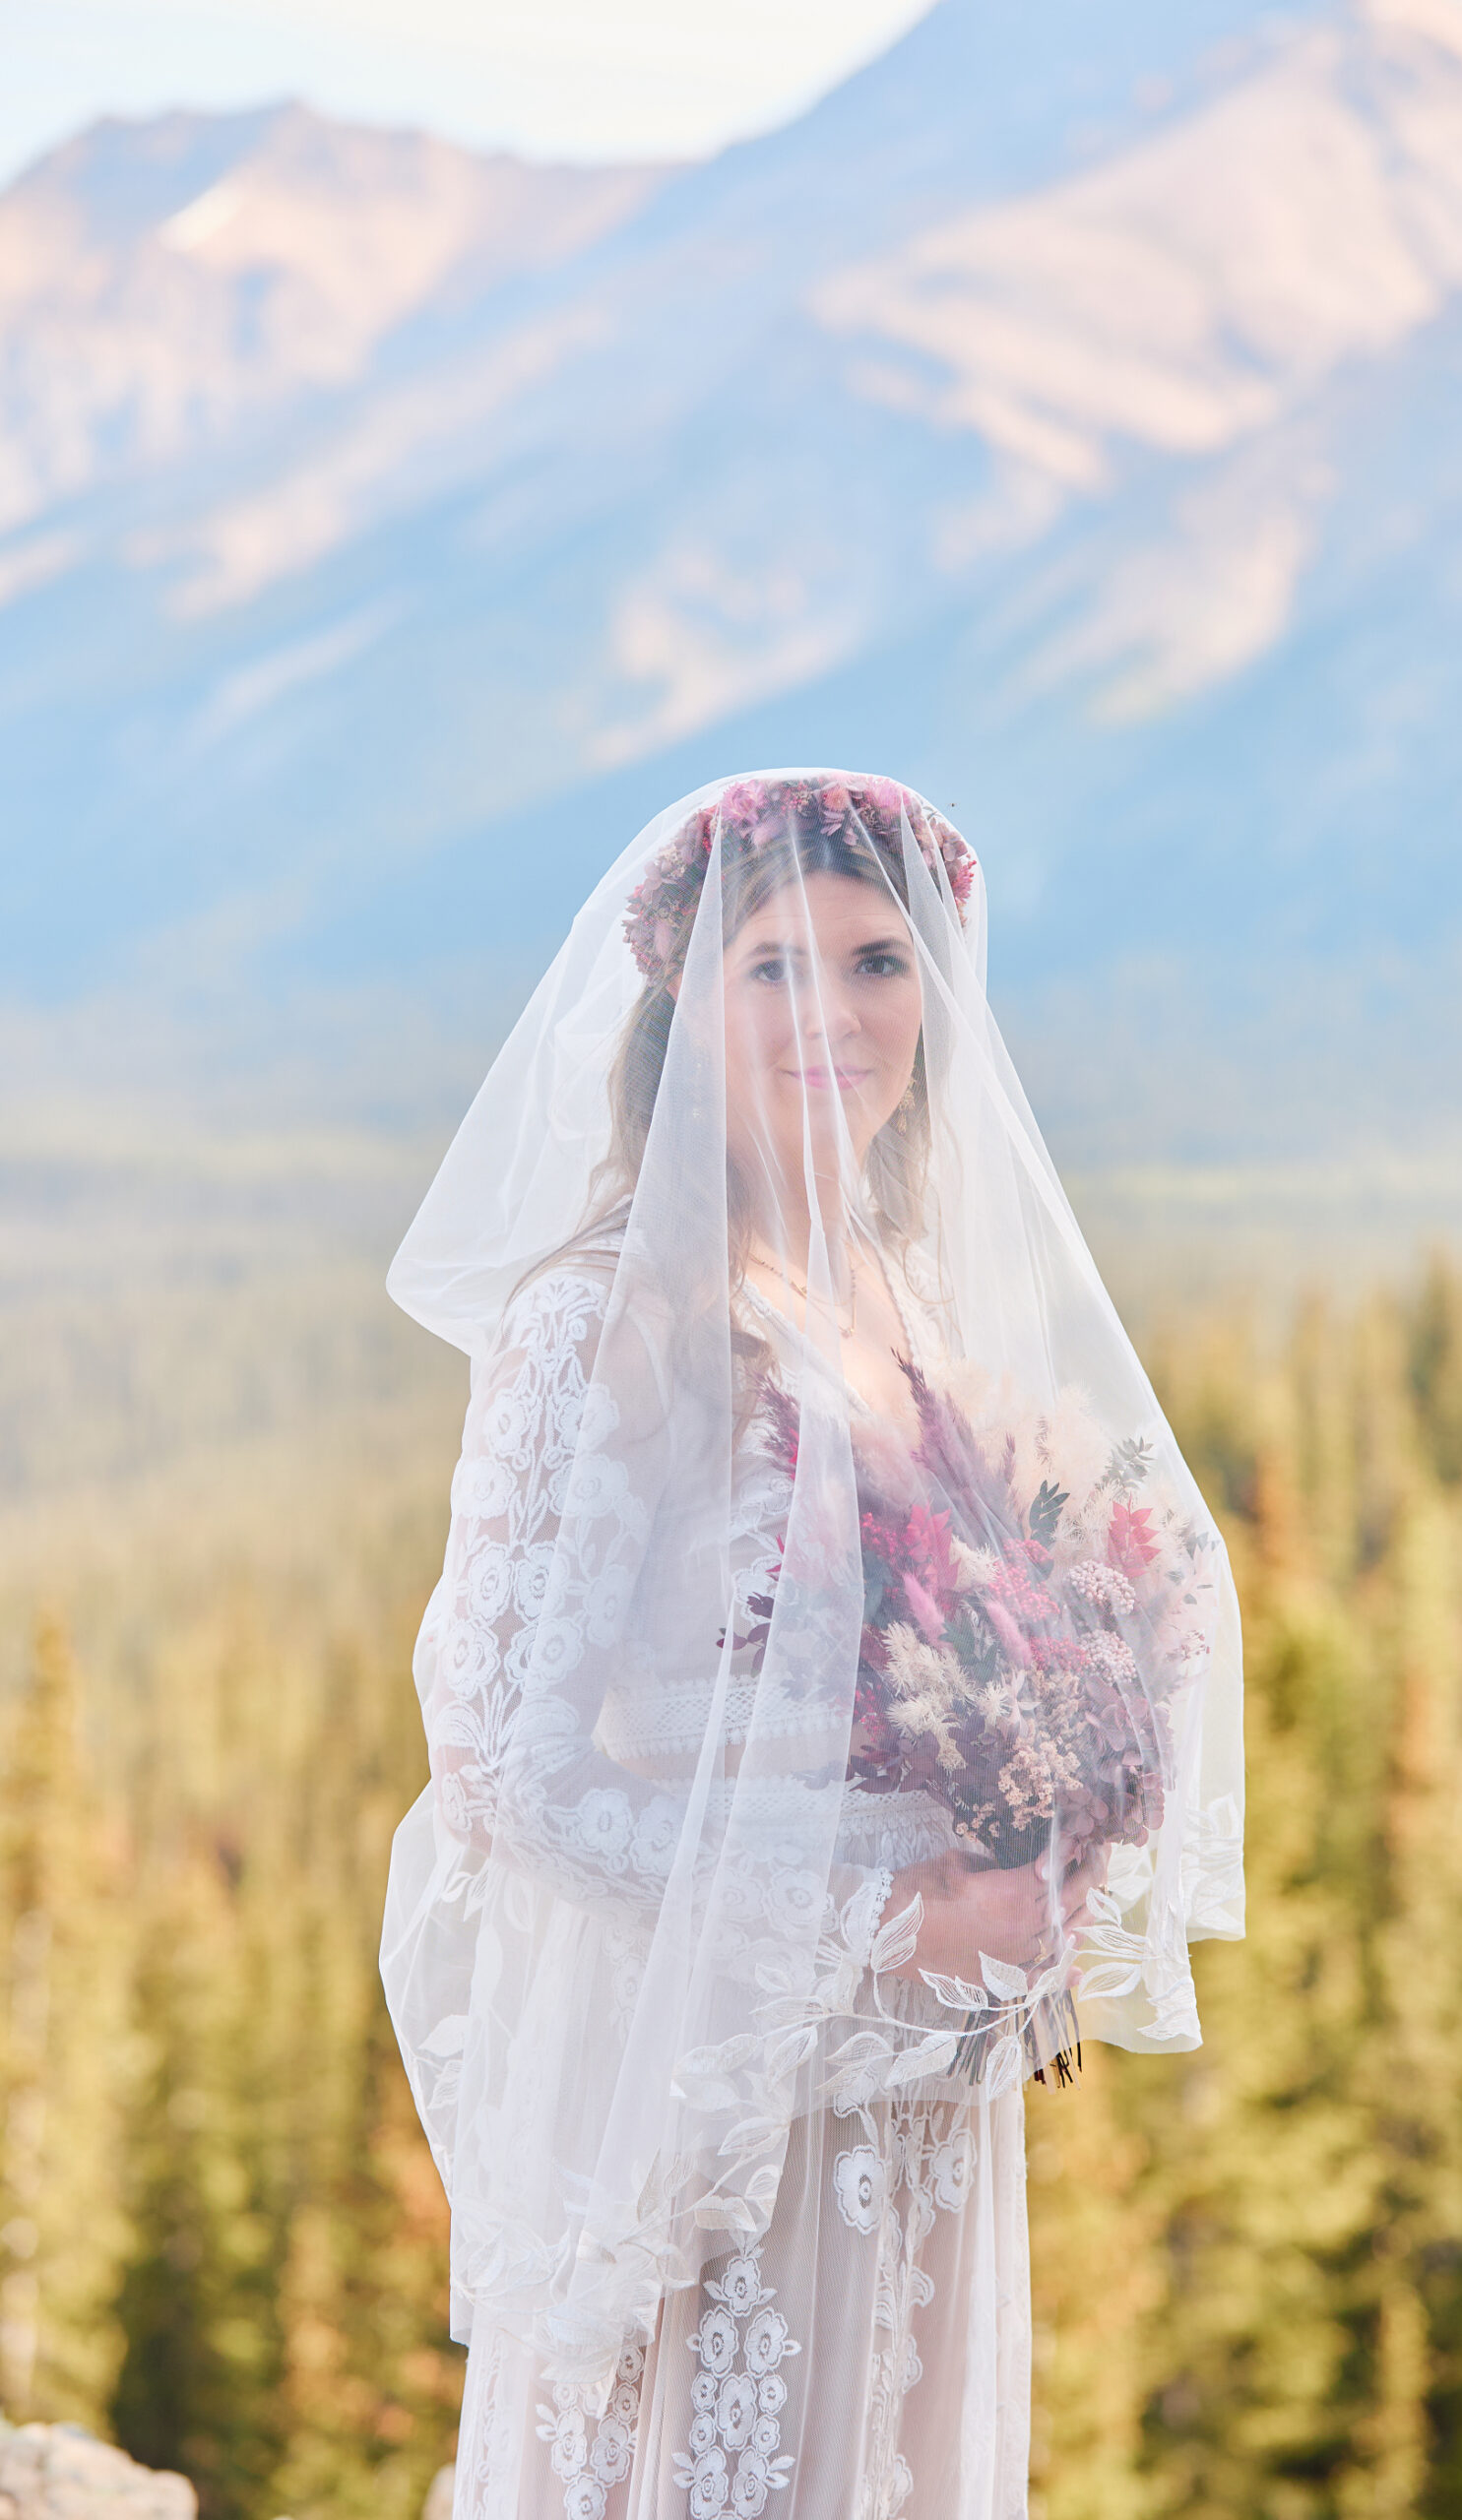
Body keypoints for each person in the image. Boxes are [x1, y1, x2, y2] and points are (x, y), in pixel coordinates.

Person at [382, 772, 1244, 2520]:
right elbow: (505, 1772)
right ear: (682, 1005)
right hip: (721, 2099)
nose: (832, 1015)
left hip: (912, 2100)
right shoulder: (602, 1322)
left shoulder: (903, 1304)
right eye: (770, 966)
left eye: (875, 962)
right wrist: (897, 1915)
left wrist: (1046, 1801)